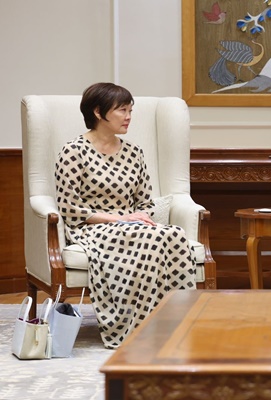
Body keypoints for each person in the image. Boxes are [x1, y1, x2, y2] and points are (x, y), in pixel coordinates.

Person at [55, 82, 196, 348]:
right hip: (92, 228)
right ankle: (139, 329)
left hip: (132, 226)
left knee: (174, 235)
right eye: (122, 110)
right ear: (98, 112)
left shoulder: (134, 152)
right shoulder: (73, 151)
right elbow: (70, 209)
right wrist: (121, 219)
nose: (129, 116)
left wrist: (138, 218)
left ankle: (176, 324)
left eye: (131, 109)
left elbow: (144, 202)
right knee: (150, 238)